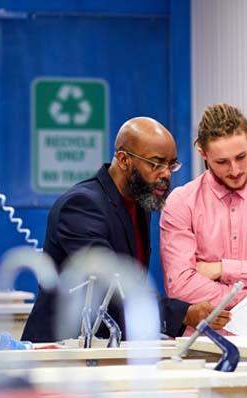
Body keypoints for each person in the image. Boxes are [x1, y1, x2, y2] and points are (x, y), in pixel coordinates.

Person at [23, 117, 229, 343]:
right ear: (123, 159)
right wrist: (182, 314)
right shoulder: (81, 206)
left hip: (105, 345)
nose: (167, 174)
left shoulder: (140, 203)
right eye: (156, 163)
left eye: (171, 165)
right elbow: (110, 286)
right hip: (60, 350)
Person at [160, 103, 247, 310]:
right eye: (222, 162)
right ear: (203, 153)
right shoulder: (181, 203)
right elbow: (179, 286)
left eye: (241, 157)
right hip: (201, 339)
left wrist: (222, 269)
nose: (235, 170)